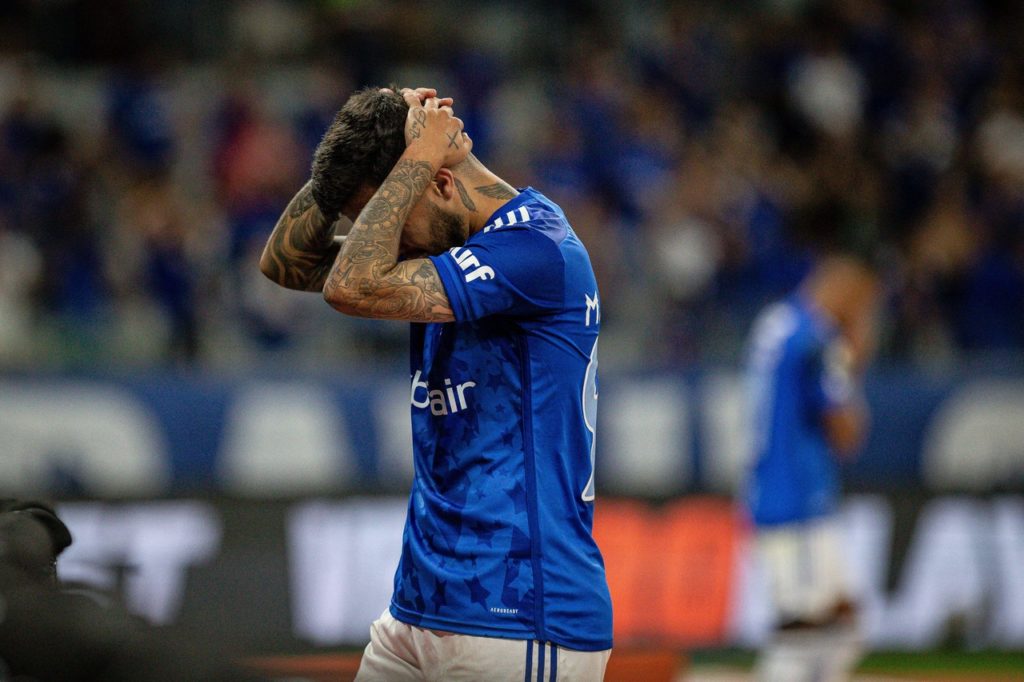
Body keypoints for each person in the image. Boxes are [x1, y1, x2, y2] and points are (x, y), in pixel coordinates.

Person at [260, 86, 612, 681]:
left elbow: (350, 286)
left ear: (442, 183)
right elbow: (285, 263)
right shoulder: (443, 241)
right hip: (416, 611)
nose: (386, 236)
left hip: (522, 616)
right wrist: (376, 142)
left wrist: (419, 157)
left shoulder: (538, 247)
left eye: (394, 214)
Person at [742, 251, 882, 682]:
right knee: (802, 631)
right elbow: (846, 432)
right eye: (862, 303)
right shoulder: (818, 339)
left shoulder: (776, 323)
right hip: (800, 496)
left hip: (770, 485)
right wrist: (858, 352)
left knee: (839, 620)